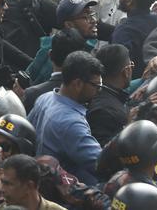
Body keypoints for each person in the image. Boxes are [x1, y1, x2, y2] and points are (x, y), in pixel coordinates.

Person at [27, 51, 103, 185]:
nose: (99, 91)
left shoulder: (45, 98)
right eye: (96, 86)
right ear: (78, 84)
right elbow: (102, 164)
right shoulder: (71, 123)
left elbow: (28, 133)